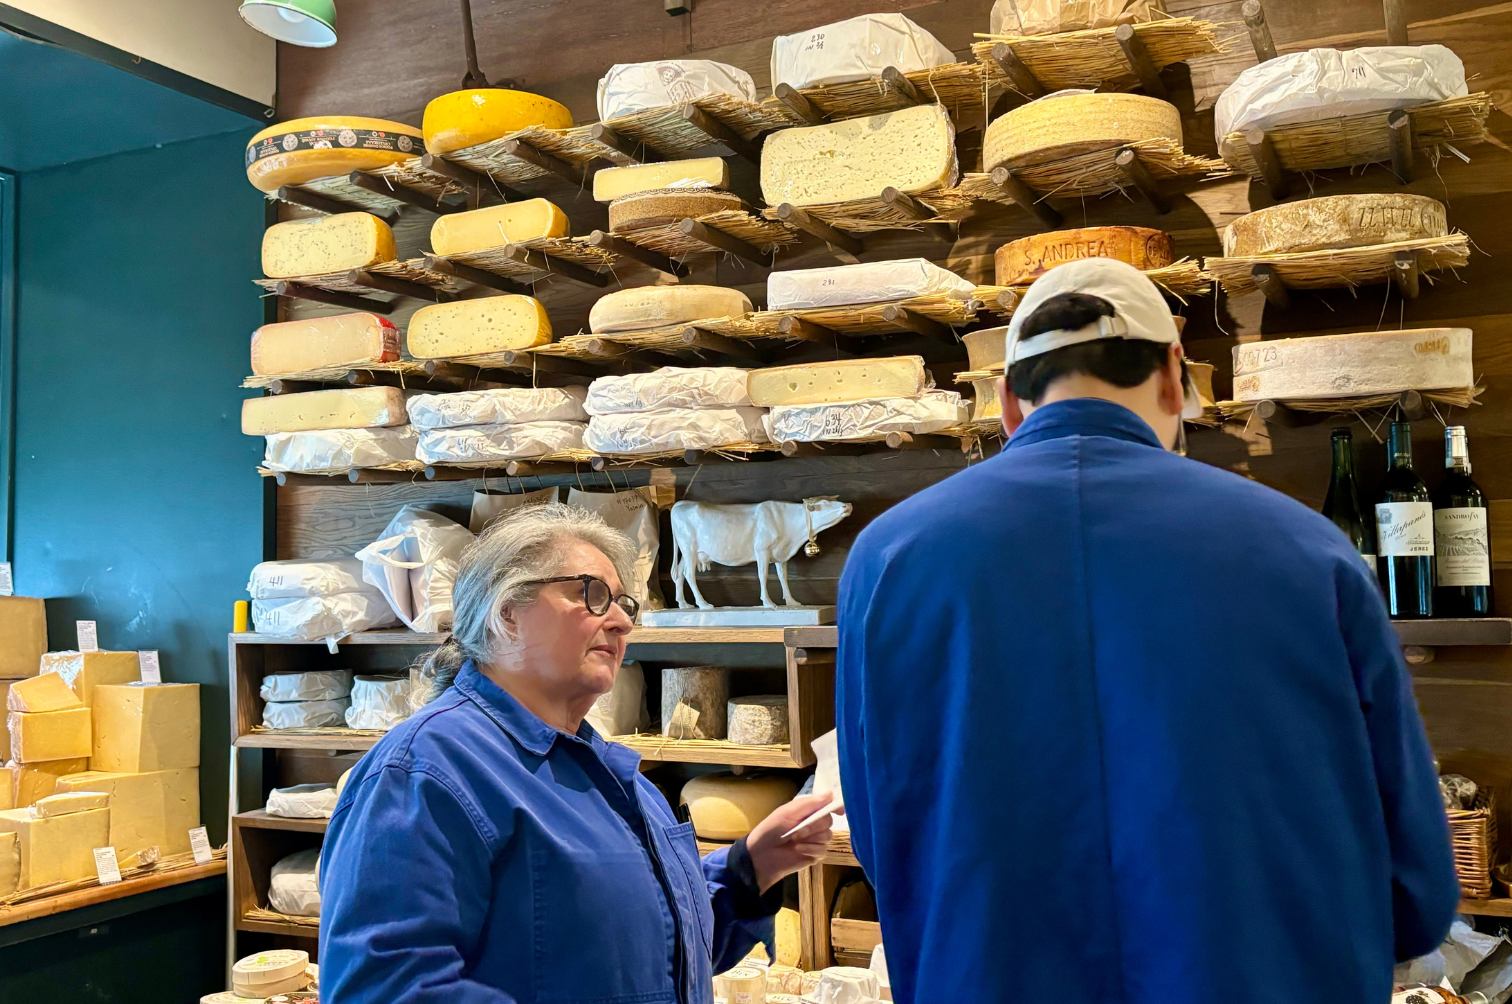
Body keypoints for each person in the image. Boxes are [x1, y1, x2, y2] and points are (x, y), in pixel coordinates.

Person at [835, 258, 1458, 1004]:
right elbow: (1415, 880)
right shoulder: (1308, 549)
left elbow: (878, 834)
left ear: (1006, 401)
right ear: (1174, 378)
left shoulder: (889, 557)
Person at [320, 504, 833, 1003]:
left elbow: (654, 953)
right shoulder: (423, 771)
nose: (622, 623)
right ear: (507, 614)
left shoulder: (610, 770)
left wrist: (750, 867)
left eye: (624, 604)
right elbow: (386, 987)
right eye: (592, 595)